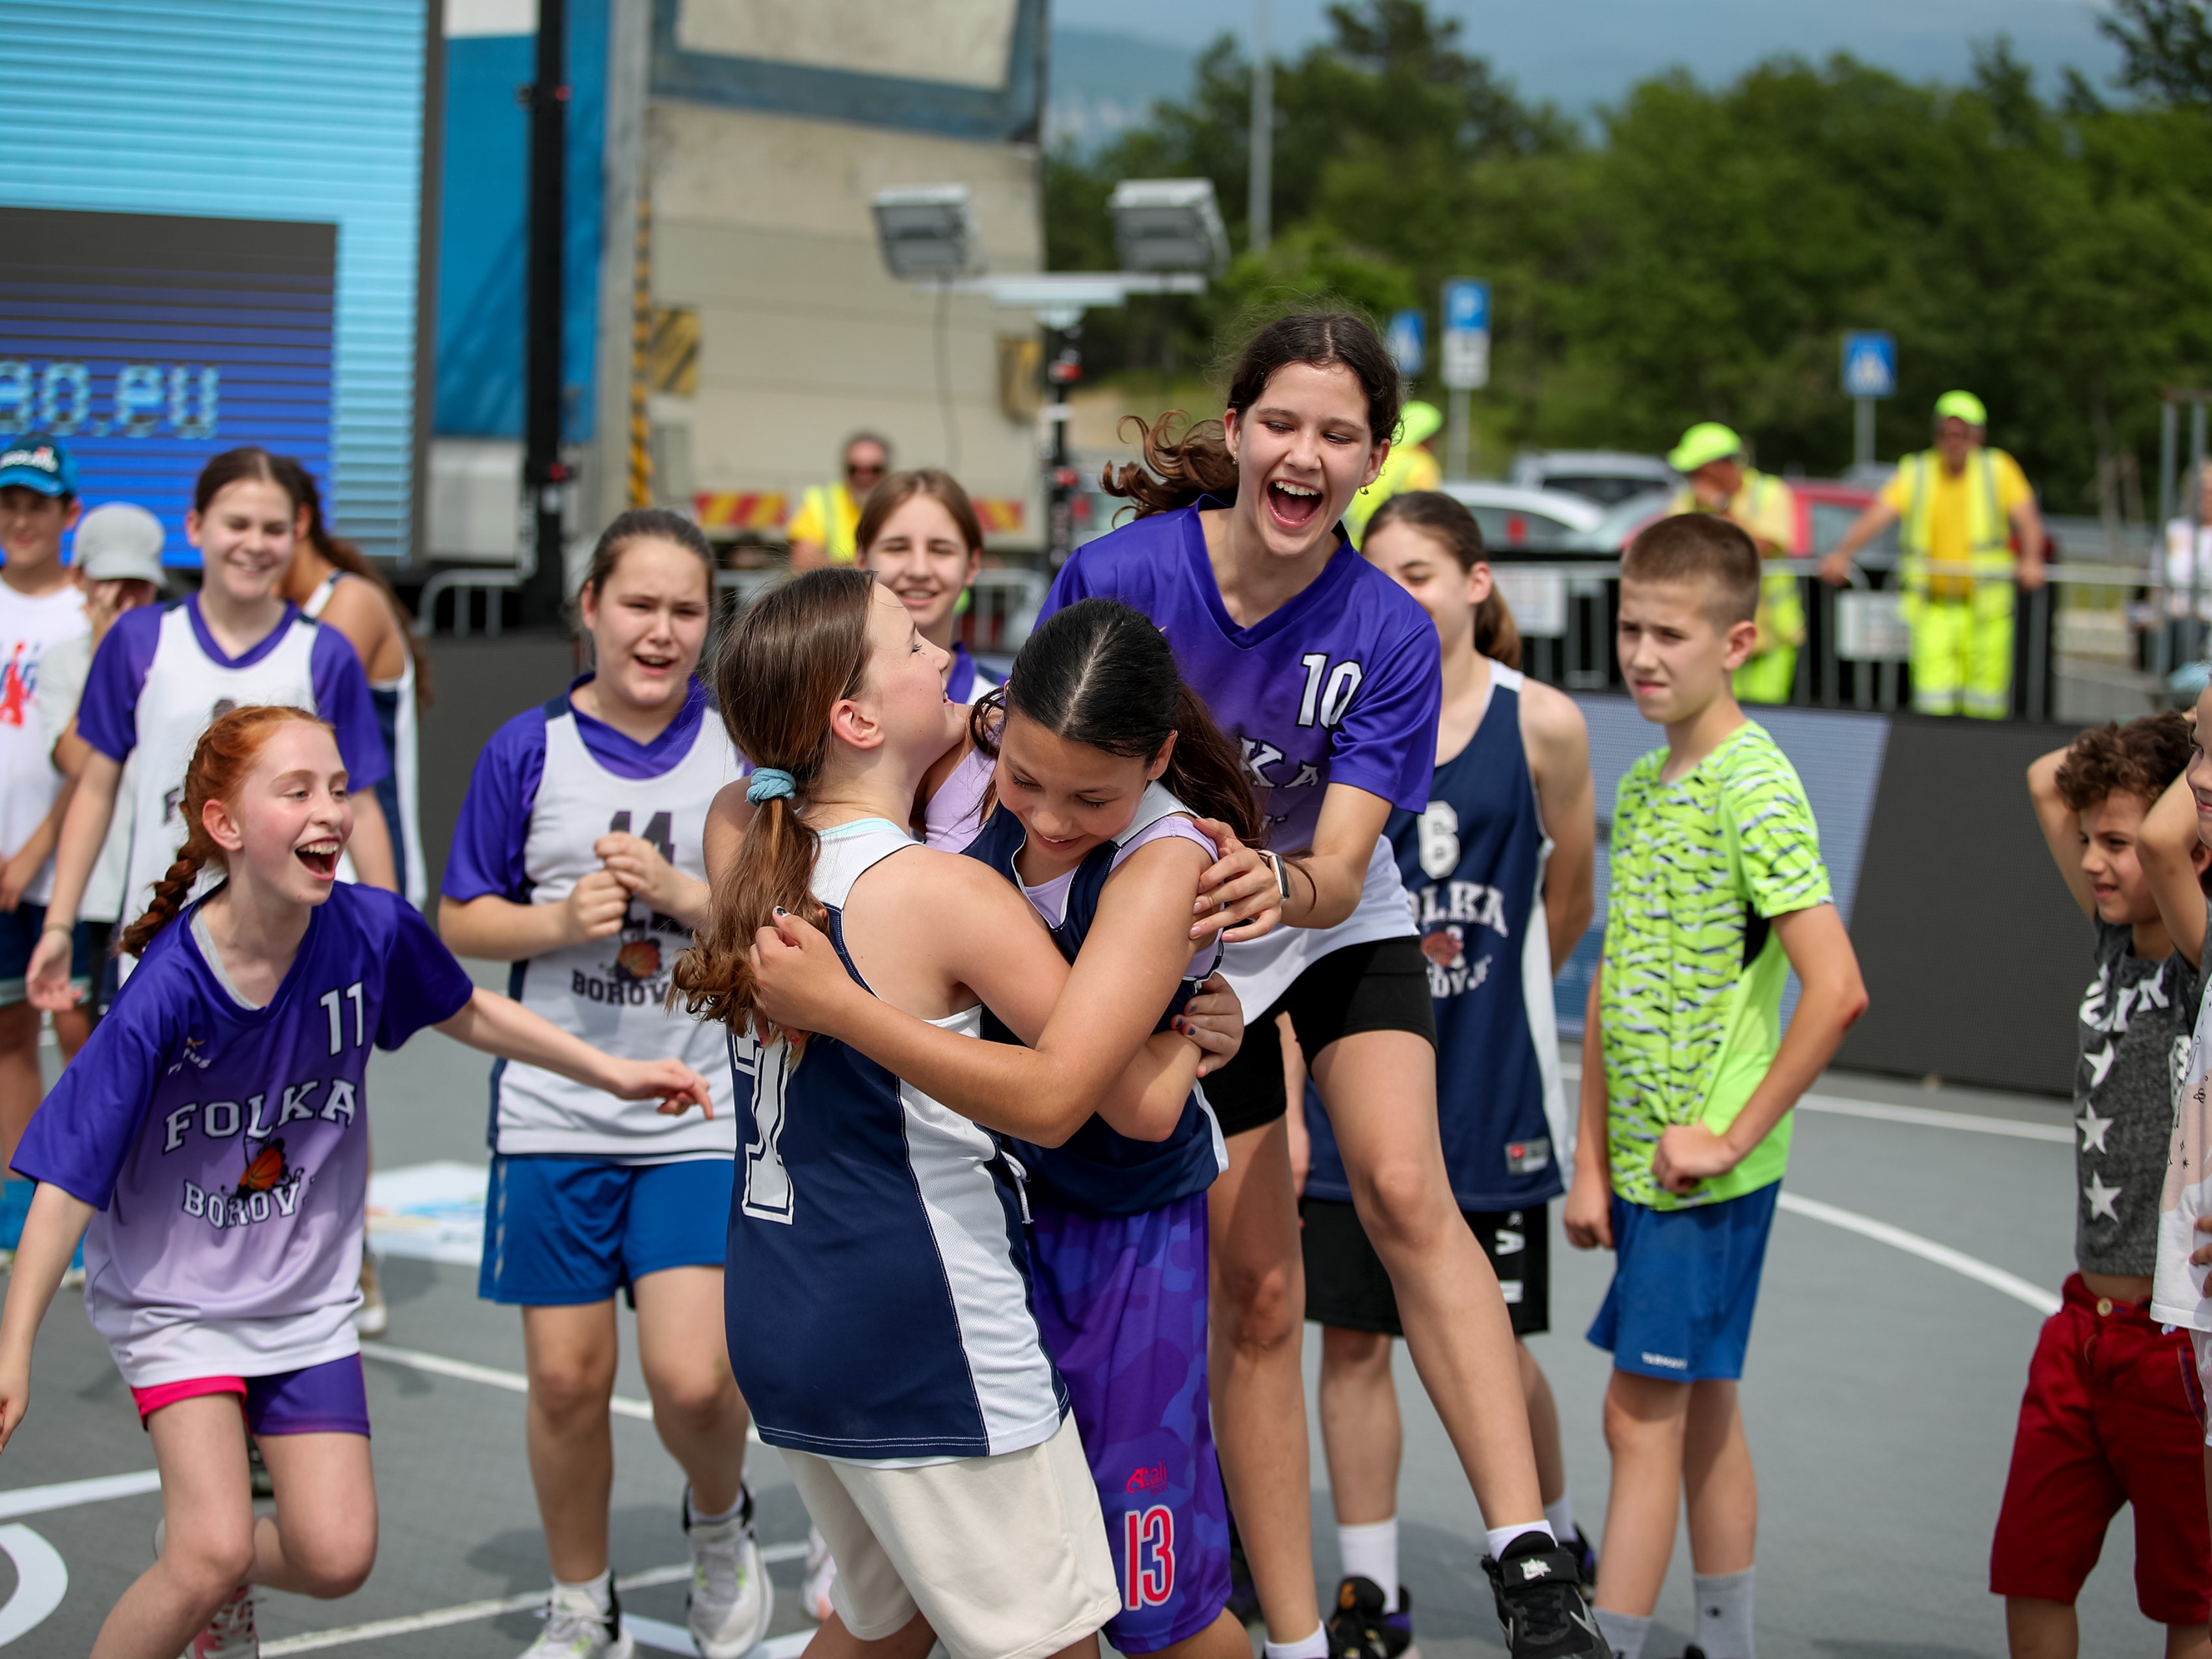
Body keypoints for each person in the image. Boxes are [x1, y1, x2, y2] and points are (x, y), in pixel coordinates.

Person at [1046, 311, 1606, 1659]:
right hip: (1182, 933)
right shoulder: (1117, 577)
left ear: (1372, 458)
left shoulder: (1387, 629)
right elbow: (1053, 788)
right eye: (1282, 423)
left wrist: (1275, 886)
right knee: (1261, 1293)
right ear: (1235, 431)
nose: (1304, 453)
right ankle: (1291, 1633)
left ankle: (1526, 1557)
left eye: (1338, 434)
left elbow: (1345, 865)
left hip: (1319, 910)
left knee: (1408, 1189)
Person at [0, 703, 711, 1659]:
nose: (330, 811)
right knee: (210, 1549)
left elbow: (473, 1016)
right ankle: (205, 1573)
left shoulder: (370, 930)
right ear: (226, 826)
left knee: (337, 1556)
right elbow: (67, 1183)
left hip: (304, 1294)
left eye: (337, 788)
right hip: (178, 1297)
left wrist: (614, 1071)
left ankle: (214, 1571)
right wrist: (13, 1352)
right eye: (296, 793)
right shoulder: (167, 990)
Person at [675, 568, 1235, 1659]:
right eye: (916, 642)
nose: (946, 653)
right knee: (1056, 1642)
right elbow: (1076, 1097)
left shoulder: (754, 848)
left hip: (783, 1306)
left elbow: (756, 785)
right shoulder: (943, 892)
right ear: (855, 714)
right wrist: (1193, 1040)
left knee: (884, 1628)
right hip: (921, 1324)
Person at [438, 509, 769, 1659]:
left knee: (690, 1377)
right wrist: (550, 918)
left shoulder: (740, 753)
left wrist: (686, 899)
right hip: (557, 1103)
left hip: (694, 1102)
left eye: (686, 611)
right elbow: (456, 918)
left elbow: (782, 922)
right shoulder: (525, 751)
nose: (662, 631)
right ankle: (584, 1600)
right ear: (589, 608)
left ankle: (719, 1519)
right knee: (570, 1383)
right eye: (639, 605)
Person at [925, 597, 1260, 1659]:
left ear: (1157, 758)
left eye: (1092, 797)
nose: (1054, 818)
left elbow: (1139, 1103)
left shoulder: (1162, 862)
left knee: (1145, 1581)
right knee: (1008, 1554)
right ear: (999, 722)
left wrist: (1191, 1043)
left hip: (1126, 1230)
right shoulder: (971, 778)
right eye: (1025, 780)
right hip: (994, 1211)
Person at [1295, 491, 1597, 1659]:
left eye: (1419, 571)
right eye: (1382, 576)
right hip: (1356, 1074)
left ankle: (1548, 1551)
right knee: (1354, 1340)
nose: (1399, 595)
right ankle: (1371, 1593)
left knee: (1495, 1346)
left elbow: (1563, 897)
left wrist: (1498, 989)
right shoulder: (1344, 718)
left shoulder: (1543, 725)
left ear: (1476, 583)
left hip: (1485, 1084)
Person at [1562, 513, 1868, 1659]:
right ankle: (1721, 1644)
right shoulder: (1642, 783)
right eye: (1629, 629)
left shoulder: (1756, 786)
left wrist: (1726, 1138)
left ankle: (1616, 1645)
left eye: (1670, 636)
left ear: (1735, 641)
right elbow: (1607, 985)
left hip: (1702, 1174)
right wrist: (1591, 1158)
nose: (1642, 655)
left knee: (1635, 1418)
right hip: (1640, 1167)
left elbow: (1835, 989)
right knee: (1700, 1418)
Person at [27, 447, 397, 1025]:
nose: (255, 543)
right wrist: (59, 925)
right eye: (237, 524)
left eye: (273, 528)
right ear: (195, 527)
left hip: (301, 952)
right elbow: (94, 790)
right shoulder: (139, 639)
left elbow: (365, 806)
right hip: (164, 937)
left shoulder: (324, 653)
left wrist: (389, 931)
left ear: (296, 534)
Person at [2012, 717, 2211, 1659]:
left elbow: (2170, 841)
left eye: (2117, 843)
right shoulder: (2109, 945)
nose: (2093, 860)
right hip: (2083, 1324)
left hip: (2176, 1346)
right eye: (2089, 838)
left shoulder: (2196, 968)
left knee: (2194, 1599)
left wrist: (2197, 749)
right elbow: (2048, 776)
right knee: (2033, 1567)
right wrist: (2178, 731)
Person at [0, 431, 91, 1265]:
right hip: (4, 869)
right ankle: (21, 1208)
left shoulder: (85, 609)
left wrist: (33, 853)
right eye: (10, 503)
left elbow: (92, 758)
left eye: (38, 505)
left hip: (63, 869)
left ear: (70, 514)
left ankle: (98, 1199)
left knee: (78, 1028)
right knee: (8, 1033)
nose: (21, 520)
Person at [1819, 390, 2047, 719]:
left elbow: (2028, 519)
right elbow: (1878, 515)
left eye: (1962, 433)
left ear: (1977, 436)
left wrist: (2032, 559)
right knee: (1931, 701)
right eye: (1946, 433)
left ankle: (1983, 764)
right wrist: (1841, 553)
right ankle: (1936, 764)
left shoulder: (1998, 469)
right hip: (1933, 607)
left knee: (1986, 702)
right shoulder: (1918, 469)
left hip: (1986, 608)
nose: (1953, 441)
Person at [274, 458, 431, 910]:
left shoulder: (351, 601)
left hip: (368, 864)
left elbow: (284, 711)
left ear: (300, 523)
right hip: (296, 865)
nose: (250, 548)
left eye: (268, 528)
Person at [1665, 424, 1801, 706]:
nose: (1692, 479)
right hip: (1713, 634)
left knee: (1767, 721)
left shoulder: (1771, 492)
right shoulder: (1688, 499)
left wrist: (1720, 506)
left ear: (1720, 467)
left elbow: (1757, 549)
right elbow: (1670, 548)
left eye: (1696, 471)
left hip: (1770, 637)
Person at [855, 468, 998, 704]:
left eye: (941, 550)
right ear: (862, 561)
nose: (919, 570)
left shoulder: (1007, 709)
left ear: (972, 565)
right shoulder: (818, 697)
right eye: (897, 548)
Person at [1344, 400, 1443, 549]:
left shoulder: (1378, 455)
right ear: (1425, 436)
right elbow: (1426, 511)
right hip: (1396, 547)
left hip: (1355, 546)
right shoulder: (1420, 463)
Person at [788, 432, 890, 570]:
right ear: (845, 470)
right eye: (855, 470)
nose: (864, 477)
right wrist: (862, 565)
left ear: (887, 471)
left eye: (874, 470)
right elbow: (802, 564)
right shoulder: (822, 502)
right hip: (838, 591)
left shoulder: (897, 505)